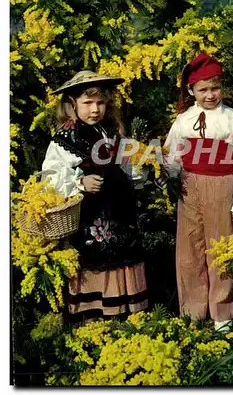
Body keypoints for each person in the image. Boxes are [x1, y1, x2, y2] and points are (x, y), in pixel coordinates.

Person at [42, 70, 148, 323]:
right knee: (93, 257)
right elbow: (50, 177)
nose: (95, 109)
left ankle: (124, 312)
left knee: (122, 252)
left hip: (118, 207)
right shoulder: (65, 138)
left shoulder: (111, 131)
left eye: (100, 103)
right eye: (87, 103)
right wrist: (79, 182)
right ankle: (94, 316)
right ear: (72, 105)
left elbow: (127, 163)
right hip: (89, 213)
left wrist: (141, 169)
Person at [163, 52, 233, 333]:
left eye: (215, 88)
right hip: (190, 187)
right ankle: (193, 309)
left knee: (221, 247)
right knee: (190, 249)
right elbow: (171, 153)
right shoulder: (183, 120)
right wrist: (169, 176)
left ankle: (222, 311)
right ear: (191, 91)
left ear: (222, 88)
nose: (210, 95)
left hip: (221, 185)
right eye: (203, 89)